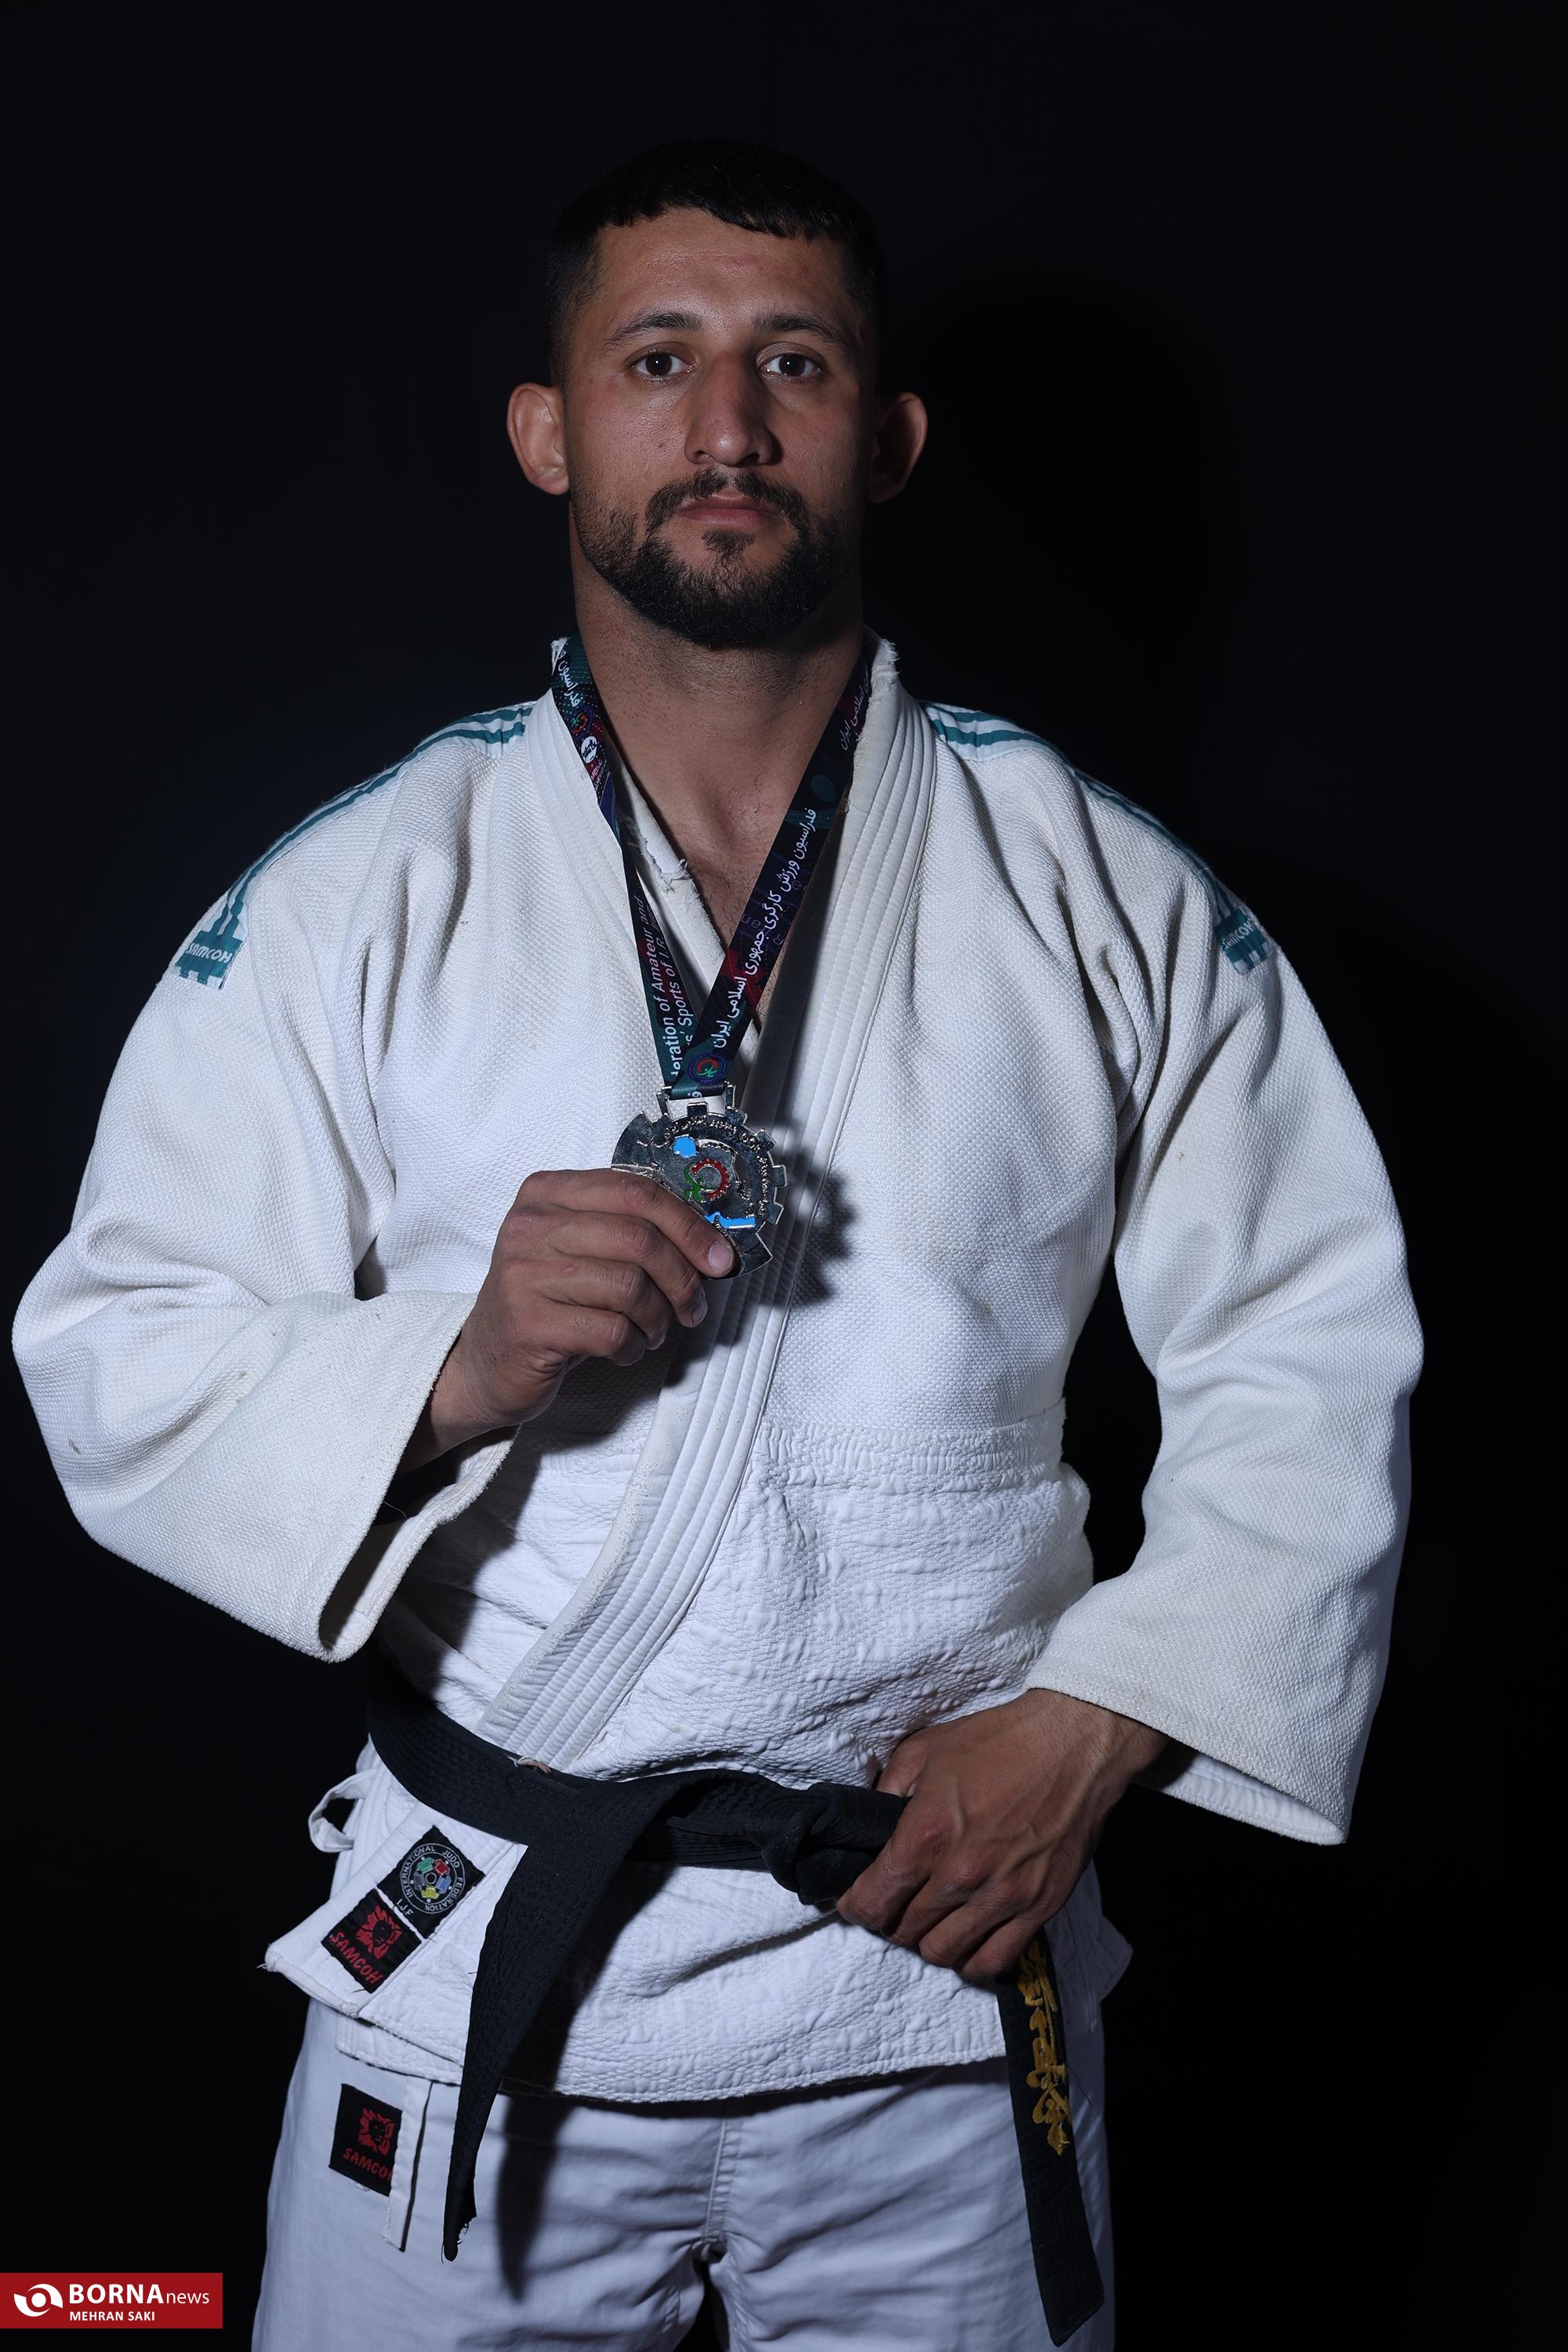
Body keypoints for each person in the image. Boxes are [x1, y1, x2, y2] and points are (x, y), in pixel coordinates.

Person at [14, 138, 1420, 2350]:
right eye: (657, 360)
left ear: (891, 436)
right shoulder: (364, 887)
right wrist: (457, 1365)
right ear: (548, 429)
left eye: (798, 365)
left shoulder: (1097, 886)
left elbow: (1312, 1340)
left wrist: (1108, 1719)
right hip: (484, 1961)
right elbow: (117, 1340)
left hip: (937, 1963)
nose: (731, 424)